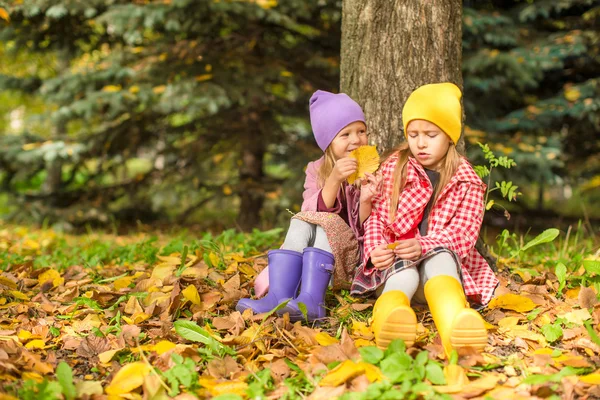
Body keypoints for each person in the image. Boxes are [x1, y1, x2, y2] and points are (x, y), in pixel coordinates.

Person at [351, 82, 499, 357]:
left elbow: (464, 234)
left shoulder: (466, 180)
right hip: (396, 266)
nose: (420, 143)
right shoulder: (395, 167)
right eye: (413, 133)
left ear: (450, 137)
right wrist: (374, 251)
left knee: (440, 258)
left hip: (439, 273)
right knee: (404, 272)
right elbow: (376, 218)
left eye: (431, 134)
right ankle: (390, 320)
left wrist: (425, 245)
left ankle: (454, 322)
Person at [236, 90, 382, 322]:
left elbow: (368, 227)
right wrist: (333, 180)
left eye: (361, 131)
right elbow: (309, 212)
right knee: (302, 219)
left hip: (347, 261)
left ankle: (313, 301)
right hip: (313, 264)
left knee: (327, 222)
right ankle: (280, 296)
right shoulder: (317, 170)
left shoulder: (372, 170)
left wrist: (366, 198)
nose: (356, 140)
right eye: (345, 134)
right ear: (328, 142)